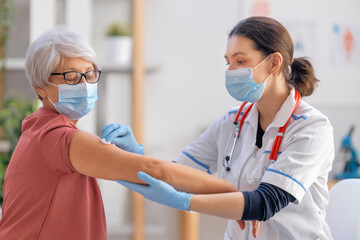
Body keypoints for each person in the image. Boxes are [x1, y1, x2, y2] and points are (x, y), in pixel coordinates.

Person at [0, 25, 239, 240]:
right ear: (40, 88)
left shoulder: (38, 129)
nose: (85, 85)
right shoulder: (57, 137)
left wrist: (135, 155)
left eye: (90, 74)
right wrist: (239, 198)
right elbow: (156, 170)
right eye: (71, 77)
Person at [108, 16, 335, 239]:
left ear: (274, 63)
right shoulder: (232, 122)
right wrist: (136, 157)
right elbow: (177, 173)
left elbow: (265, 203)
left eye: (241, 61)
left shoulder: (312, 128)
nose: (231, 71)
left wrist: (185, 202)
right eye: (228, 62)